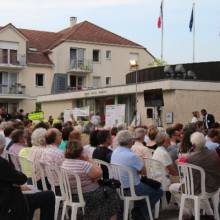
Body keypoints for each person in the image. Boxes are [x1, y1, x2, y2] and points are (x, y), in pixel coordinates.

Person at [62, 140, 121, 220]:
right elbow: (100, 173)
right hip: (89, 195)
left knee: (107, 194)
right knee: (111, 192)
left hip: (72, 195)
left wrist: (93, 177)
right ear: (80, 151)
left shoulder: (64, 163)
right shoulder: (83, 164)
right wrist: (88, 160)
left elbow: (95, 175)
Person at [111, 130, 163, 220]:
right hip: (132, 188)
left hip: (119, 187)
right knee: (159, 191)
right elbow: (144, 172)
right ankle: (140, 214)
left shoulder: (114, 152)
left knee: (146, 190)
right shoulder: (132, 155)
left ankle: (138, 211)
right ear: (130, 141)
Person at [170, 132, 220, 219]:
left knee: (173, 188)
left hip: (201, 188)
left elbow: (180, 167)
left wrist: (187, 156)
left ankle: (189, 212)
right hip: (215, 186)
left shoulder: (190, 159)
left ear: (193, 145)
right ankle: (208, 212)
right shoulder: (214, 153)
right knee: (193, 188)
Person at [0, 140, 55, 220]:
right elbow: (21, 179)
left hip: (9, 198)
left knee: (38, 197)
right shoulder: (2, 163)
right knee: (49, 195)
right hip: (9, 203)